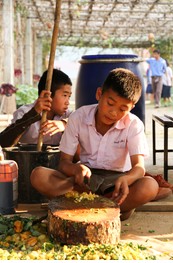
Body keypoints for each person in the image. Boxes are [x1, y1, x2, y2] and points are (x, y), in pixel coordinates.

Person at [30, 68, 161, 221]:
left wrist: (127, 179)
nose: (113, 113)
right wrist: (76, 169)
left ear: (131, 108)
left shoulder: (134, 125)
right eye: (110, 103)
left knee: (150, 186)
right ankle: (110, 209)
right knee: (38, 175)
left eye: (122, 109)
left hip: (116, 184)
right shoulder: (78, 117)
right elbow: (64, 163)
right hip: (84, 183)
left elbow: (139, 168)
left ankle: (91, 206)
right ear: (99, 94)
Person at [0, 69, 72, 147]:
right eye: (65, 95)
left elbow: (83, 120)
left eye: (69, 96)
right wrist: (33, 114)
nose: (67, 102)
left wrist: (64, 123)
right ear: (48, 95)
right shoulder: (24, 112)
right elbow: (3, 142)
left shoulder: (67, 115)